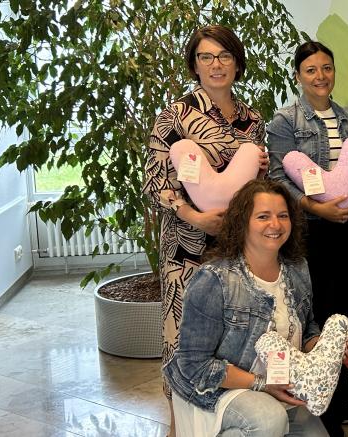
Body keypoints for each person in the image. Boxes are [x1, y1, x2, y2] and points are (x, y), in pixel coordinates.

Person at [143, 24, 269, 434]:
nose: (216, 65)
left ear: (237, 61)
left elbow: (255, 188)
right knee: (183, 336)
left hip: (238, 248)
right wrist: (195, 217)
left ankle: (229, 419)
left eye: (225, 56)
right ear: (194, 64)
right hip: (188, 246)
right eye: (206, 57)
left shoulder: (253, 120)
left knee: (233, 330)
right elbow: (155, 182)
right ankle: (180, 424)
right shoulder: (175, 116)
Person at [163, 179, 328, 436]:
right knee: (268, 420)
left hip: (277, 384)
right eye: (263, 216)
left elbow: (307, 328)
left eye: (283, 216)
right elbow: (194, 365)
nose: (275, 225)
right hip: (219, 390)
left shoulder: (297, 268)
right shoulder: (215, 279)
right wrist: (262, 384)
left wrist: (326, 348)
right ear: (242, 223)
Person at [266, 41, 348, 435]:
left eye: (327, 67)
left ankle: (342, 399)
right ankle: (316, 399)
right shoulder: (284, 122)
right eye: (311, 70)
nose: (320, 76)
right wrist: (315, 206)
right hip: (311, 227)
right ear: (298, 76)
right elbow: (277, 178)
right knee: (317, 311)